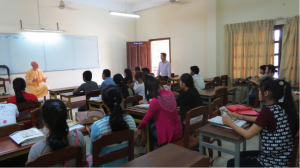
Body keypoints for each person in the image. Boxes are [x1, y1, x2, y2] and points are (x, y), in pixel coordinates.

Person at [223, 77, 300, 168]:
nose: (258, 91)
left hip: (272, 163)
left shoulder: (267, 111)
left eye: (259, 89)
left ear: (266, 93)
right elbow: (262, 120)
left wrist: (229, 123)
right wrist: (241, 116)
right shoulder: (283, 107)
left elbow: (248, 135)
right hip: (285, 158)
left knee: (232, 162)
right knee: (240, 155)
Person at [28, 99, 86, 167]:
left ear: (44, 122)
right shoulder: (79, 137)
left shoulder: (36, 150)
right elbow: (83, 161)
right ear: (65, 118)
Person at [89, 85, 136, 168]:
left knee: (88, 158)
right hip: (126, 165)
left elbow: (93, 152)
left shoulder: (97, 126)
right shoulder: (130, 120)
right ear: (121, 100)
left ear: (103, 102)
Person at [136, 75, 182, 151]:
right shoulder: (170, 93)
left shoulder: (156, 100)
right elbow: (164, 102)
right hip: (177, 129)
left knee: (148, 128)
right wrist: (148, 102)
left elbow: (145, 120)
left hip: (167, 132)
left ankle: (151, 153)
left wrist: (137, 128)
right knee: (152, 124)